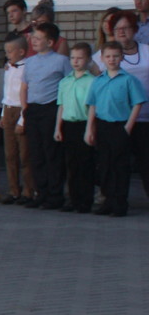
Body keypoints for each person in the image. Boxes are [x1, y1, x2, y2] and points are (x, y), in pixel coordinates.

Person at [89, 41, 146, 216]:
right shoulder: (98, 81)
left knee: (119, 166)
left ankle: (120, 203)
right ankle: (108, 201)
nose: (112, 59)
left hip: (120, 126)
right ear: (102, 59)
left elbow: (137, 102)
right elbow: (92, 105)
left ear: (121, 57)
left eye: (115, 56)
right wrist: (89, 129)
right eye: (108, 56)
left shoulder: (129, 79)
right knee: (105, 165)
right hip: (102, 126)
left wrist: (128, 126)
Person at [20, 22, 72, 208]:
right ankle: (40, 193)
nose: (33, 41)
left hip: (51, 109)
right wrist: (25, 109)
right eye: (32, 37)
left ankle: (55, 195)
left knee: (52, 154)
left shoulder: (61, 61)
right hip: (33, 110)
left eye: (38, 38)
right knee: (36, 154)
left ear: (50, 42)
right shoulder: (30, 61)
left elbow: (69, 85)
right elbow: (24, 86)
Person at [111, 13, 149, 205]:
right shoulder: (107, 56)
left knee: (146, 162)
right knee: (119, 164)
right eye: (117, 29)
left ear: (134, 30)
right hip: (118, 120)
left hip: (144, 118)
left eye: (125, 28)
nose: (122, 32)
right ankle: (118, 202)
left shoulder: (147, 51)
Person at [56, 42, 97, 213]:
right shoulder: (65, 81)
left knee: (85, 164)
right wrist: (57, 128)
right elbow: (61, 105)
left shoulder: (92, 81)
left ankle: (85, 200)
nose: (75, 61)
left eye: (80, 58)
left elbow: (93, 107)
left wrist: (90, 129)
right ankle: (73, 199)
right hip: (68, 125)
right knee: (71, 164)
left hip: (84, 124)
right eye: (73, 58)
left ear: (88, 60)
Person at [0, 33, 33, 206]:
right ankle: (13, 190)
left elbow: (26, 95)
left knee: (25, 154)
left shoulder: (27, 67)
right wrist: (3, 113)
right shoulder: (9, 67)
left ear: (21, 51)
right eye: (6, 51)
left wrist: (23, 120)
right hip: (9, 109)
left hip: (21, 111)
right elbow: (7, 93)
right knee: (10, 154)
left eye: (11, 51)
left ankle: (28, 190)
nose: (8, 54)